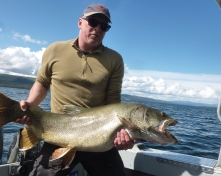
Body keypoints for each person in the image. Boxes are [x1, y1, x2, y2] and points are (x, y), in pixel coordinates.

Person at [16, 4, 139, 176]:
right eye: (93, 22)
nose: (98, 29)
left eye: (104, 26)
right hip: (59, 133)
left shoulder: (115, 60)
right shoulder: (55, 50)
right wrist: (30, 105)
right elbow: (43, 83)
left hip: (99, 137)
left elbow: (113, 102)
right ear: (80, 22)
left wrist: (122, 133)